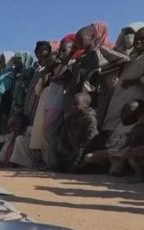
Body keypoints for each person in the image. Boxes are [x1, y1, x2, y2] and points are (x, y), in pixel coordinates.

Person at [103, 27, 144, 132]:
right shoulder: (131, 58)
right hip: (119, 95)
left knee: (127, 121)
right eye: (136, 39)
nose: (138, 41)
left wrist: (139, 81)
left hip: (134, 95)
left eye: (143, 38)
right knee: (111, 121)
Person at [42, 34, 80, 167]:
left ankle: (54, 163)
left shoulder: (72, 64)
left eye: (65, 50)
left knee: (50, 132)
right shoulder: (58, 67)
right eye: (60, 50)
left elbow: (64, 79)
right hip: (51, 103)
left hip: (58, 104)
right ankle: (51, 161)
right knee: (49, 133)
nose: (61, 53)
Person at [57, 93, 99, 172]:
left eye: (76, 104)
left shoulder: (90, 120)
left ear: (85, 105)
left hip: (83, 153)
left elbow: (90, 140)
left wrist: (77, 153)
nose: (73, 107)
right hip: (71, 151)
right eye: (72, 104)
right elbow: (62, 137)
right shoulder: (70, 118)